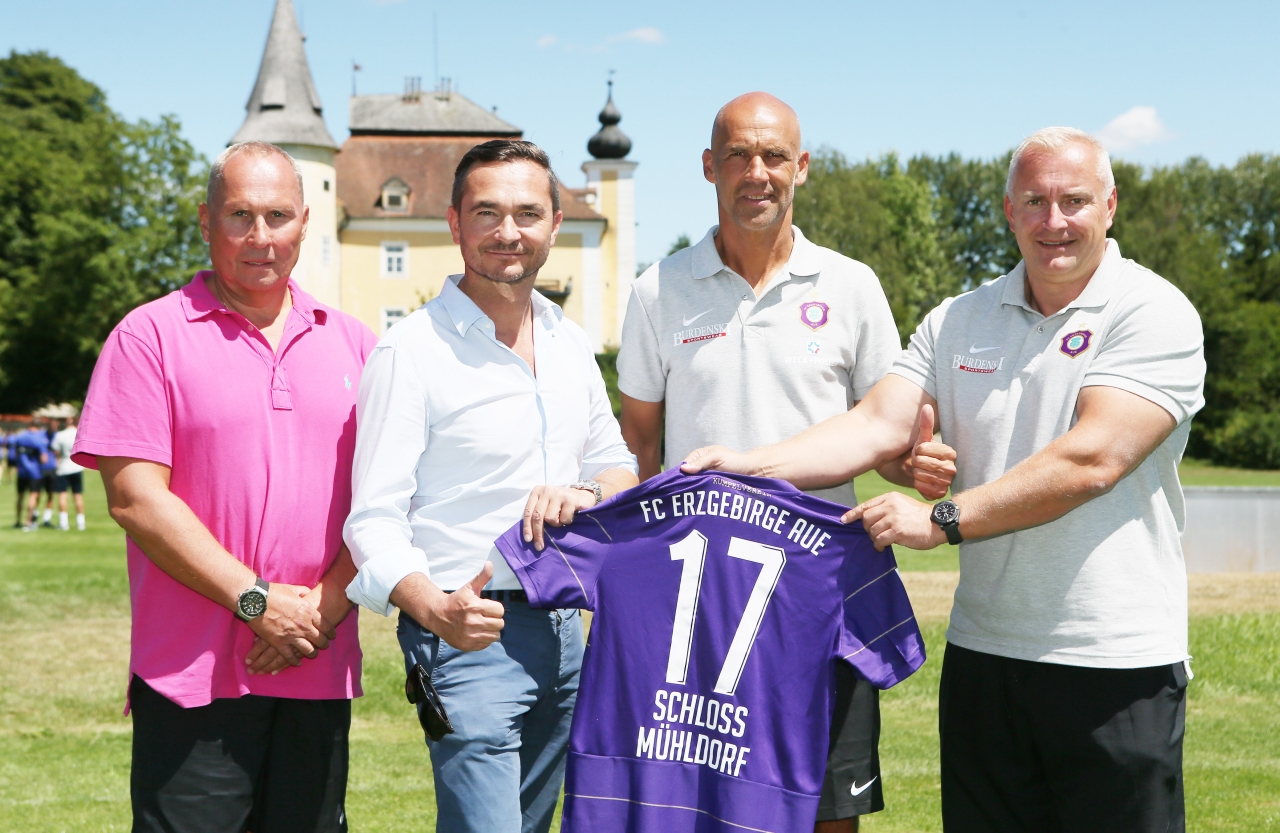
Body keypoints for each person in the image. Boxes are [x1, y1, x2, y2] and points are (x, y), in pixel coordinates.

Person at [684, 127, 1205, 833]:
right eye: (1035, 201)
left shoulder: (1152, 310)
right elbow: (875, 424)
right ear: (1008, 211)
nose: (1054, 221)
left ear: (1109, 206)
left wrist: (942, 519)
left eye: (1074, 201)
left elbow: (1092, 459)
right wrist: (750, 463)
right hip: (984, 655)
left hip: (1113, 660)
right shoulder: (959, 319)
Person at [617, 92, 952, 833]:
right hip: (701, 594)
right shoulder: (657, 289)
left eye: (773, 156)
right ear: (709, 166)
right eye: (738, 155)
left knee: (830, 805)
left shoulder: (852, 285)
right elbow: (637, 445)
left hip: (820, 588)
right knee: (702, 803)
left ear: (801, 166)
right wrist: (631, 578)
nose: (756, 172)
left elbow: (881, 434)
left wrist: (914, 466)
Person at [72, 141, 378, 833]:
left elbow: (387, 499)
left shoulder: (357, 345)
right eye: (240, 215)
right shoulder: (147, 337)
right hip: (192, 675)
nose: (260, 236)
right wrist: (257, 602)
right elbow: (135, 498)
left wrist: (319, 611)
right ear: (206, 221)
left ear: (306, 223)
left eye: (278, 216)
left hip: (316, 661)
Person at [343, 139, 639, 833]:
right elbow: (372, 520)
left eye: (527, 213)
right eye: (487, 213)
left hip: (568, 632)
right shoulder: (409, 351)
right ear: (455, 223)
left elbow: (618, 464)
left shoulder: (570, 342)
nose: (509, 231)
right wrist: (436, 610)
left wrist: (588, 494)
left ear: (555, 226)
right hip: (466, 631)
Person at [51, 413, 86, 531]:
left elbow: (56, 453)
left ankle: (63, 523)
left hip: (64, 467)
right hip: (77, 467)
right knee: (77, 496)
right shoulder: (79, 434)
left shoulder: (60, 435)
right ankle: (81, 523)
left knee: (62, 495)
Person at [11, 424, 48, 530]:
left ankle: (18, 521)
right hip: (34, 473)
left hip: (21, 472)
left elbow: (16, 454)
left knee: (20, 496)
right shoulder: (39, 438)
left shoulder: (20, 436)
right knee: (33, 496)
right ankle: (28, 522)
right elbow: (44, 459)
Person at [38, 417, 61, 527]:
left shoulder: (58, 436)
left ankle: (47, 518)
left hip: (52, 469)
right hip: (41, 469)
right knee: (37, 494)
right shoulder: (41, 435)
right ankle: (34, 516)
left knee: (51, 494)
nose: (54, 427)